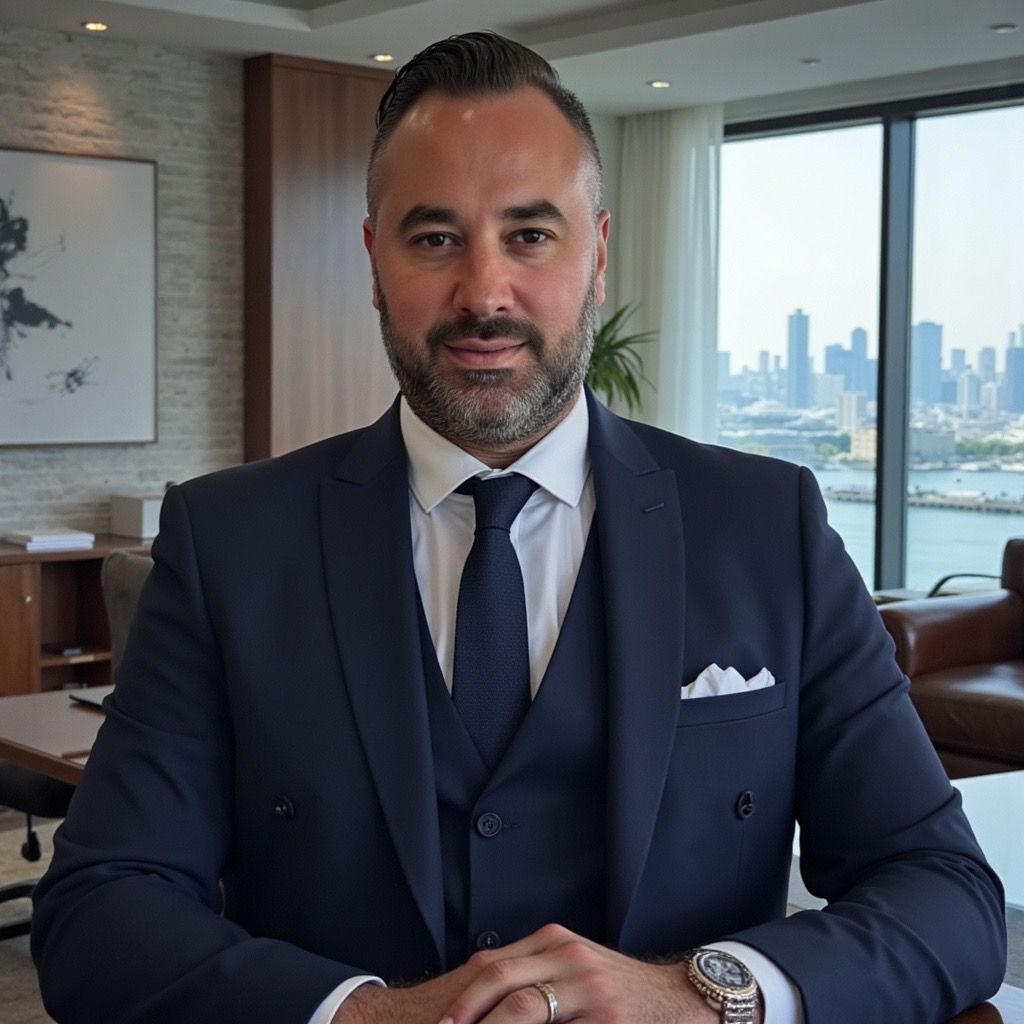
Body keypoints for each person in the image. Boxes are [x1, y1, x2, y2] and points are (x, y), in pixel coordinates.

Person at [32, 32, 1005, 1024]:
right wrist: (368, 1017)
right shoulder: (228, 542)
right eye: (434, 238)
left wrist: (698, 995)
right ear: (374, 260)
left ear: (598, 254)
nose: (484, 294)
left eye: (530, 235)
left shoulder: (768, 526)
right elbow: (98, 912)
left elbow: (944, 890)